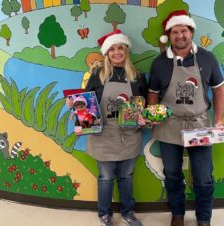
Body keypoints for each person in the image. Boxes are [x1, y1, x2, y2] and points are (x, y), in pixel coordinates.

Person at [147, 10, 224, 226]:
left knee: (203, 177)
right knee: (172, 174)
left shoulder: (207, 58)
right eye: (175, 32)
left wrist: (218, 120)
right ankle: (177, 214)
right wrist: (152, 114)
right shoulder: (159, 63)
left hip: (199, 125)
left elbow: (219, 91)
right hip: (168, 125)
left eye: (183, 31)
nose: (180, 36)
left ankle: (203, 218)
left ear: (191, 32)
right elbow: (153, 93)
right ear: (168, 36)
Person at [68, 29, 147, 226]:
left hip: (128, 136)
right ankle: (104, 214)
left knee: (126, 176)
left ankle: (128, 213)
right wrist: (75, 109)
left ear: (126, 51)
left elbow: (144, 104)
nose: (117, 52)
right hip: (102, 135)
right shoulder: (98, 75)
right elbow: (86, 103)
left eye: (120, 48)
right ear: (106, 53)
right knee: (105, 177)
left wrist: (144, 118)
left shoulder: (138, 76)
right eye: (112, 49)